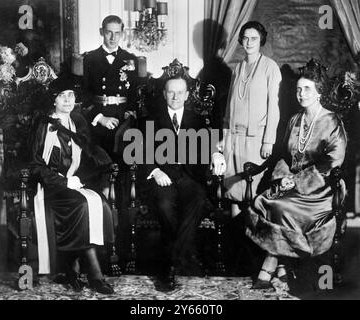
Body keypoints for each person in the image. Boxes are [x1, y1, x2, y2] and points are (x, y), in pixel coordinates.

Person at [245, 59, 347, 289]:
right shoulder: (294, 120)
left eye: (307, 89)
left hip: (322, 189)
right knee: (264, 201)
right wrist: (283, 178)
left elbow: (333, 162)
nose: (301, 94)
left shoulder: (332, 122)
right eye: (298, 89)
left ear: (319, 92)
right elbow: (284, 155)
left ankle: (270, 263)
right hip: (290, 183)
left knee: (281, 207)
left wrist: (298, 181)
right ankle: (281, 264)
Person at [30, 78, 115, 294]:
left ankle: (73, 268)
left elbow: (86, 157)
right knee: (82, 206)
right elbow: (35, 166)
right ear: (53, 100)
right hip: (51, 187)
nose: (68, 100)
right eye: (62, 96)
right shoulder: (44, 125)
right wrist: (64, 181)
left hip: (74, 184)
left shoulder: (77, 122)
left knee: (101, 204)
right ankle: (95, 275)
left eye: (71, 95)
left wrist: (84, 179)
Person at [144, 75, 226, 289]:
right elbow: (140, 152)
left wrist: (216, 155)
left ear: (188, 95)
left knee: (198, 200)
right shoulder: (150, 119)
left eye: (180, 92)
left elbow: (208, 147)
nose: (175, 96)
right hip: (164, 176)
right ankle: (184, 258)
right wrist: (154, 170)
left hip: (190, 176)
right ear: (164, 94)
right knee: (164, 205)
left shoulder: (198, 120)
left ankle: (171, 260)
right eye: (171, 92)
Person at [220, 21, 282, 217]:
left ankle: (252, 243)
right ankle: (234, 241)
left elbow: (274, 107)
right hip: (234, 138)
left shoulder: (270, 67)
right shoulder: (238, 67)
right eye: (245, 38)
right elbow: (230, 103)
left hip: (256, 141)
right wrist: (224, 137)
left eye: (253, 38)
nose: (249, 42)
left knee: (252, 193)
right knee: (232, 191)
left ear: (261, 40)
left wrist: (268, 140)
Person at [83, 15, 138, 162]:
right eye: (109, 32)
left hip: (122, 117)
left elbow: (134, 92)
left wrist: (130, 113)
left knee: (124, 160)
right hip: (98, 116)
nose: (113, 37)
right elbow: (84, 94)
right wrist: (100, 118)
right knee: (99, 161)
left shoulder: (131, 59)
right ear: (102, 32)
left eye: (117, 33)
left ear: (122, 33)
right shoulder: (89, 59)